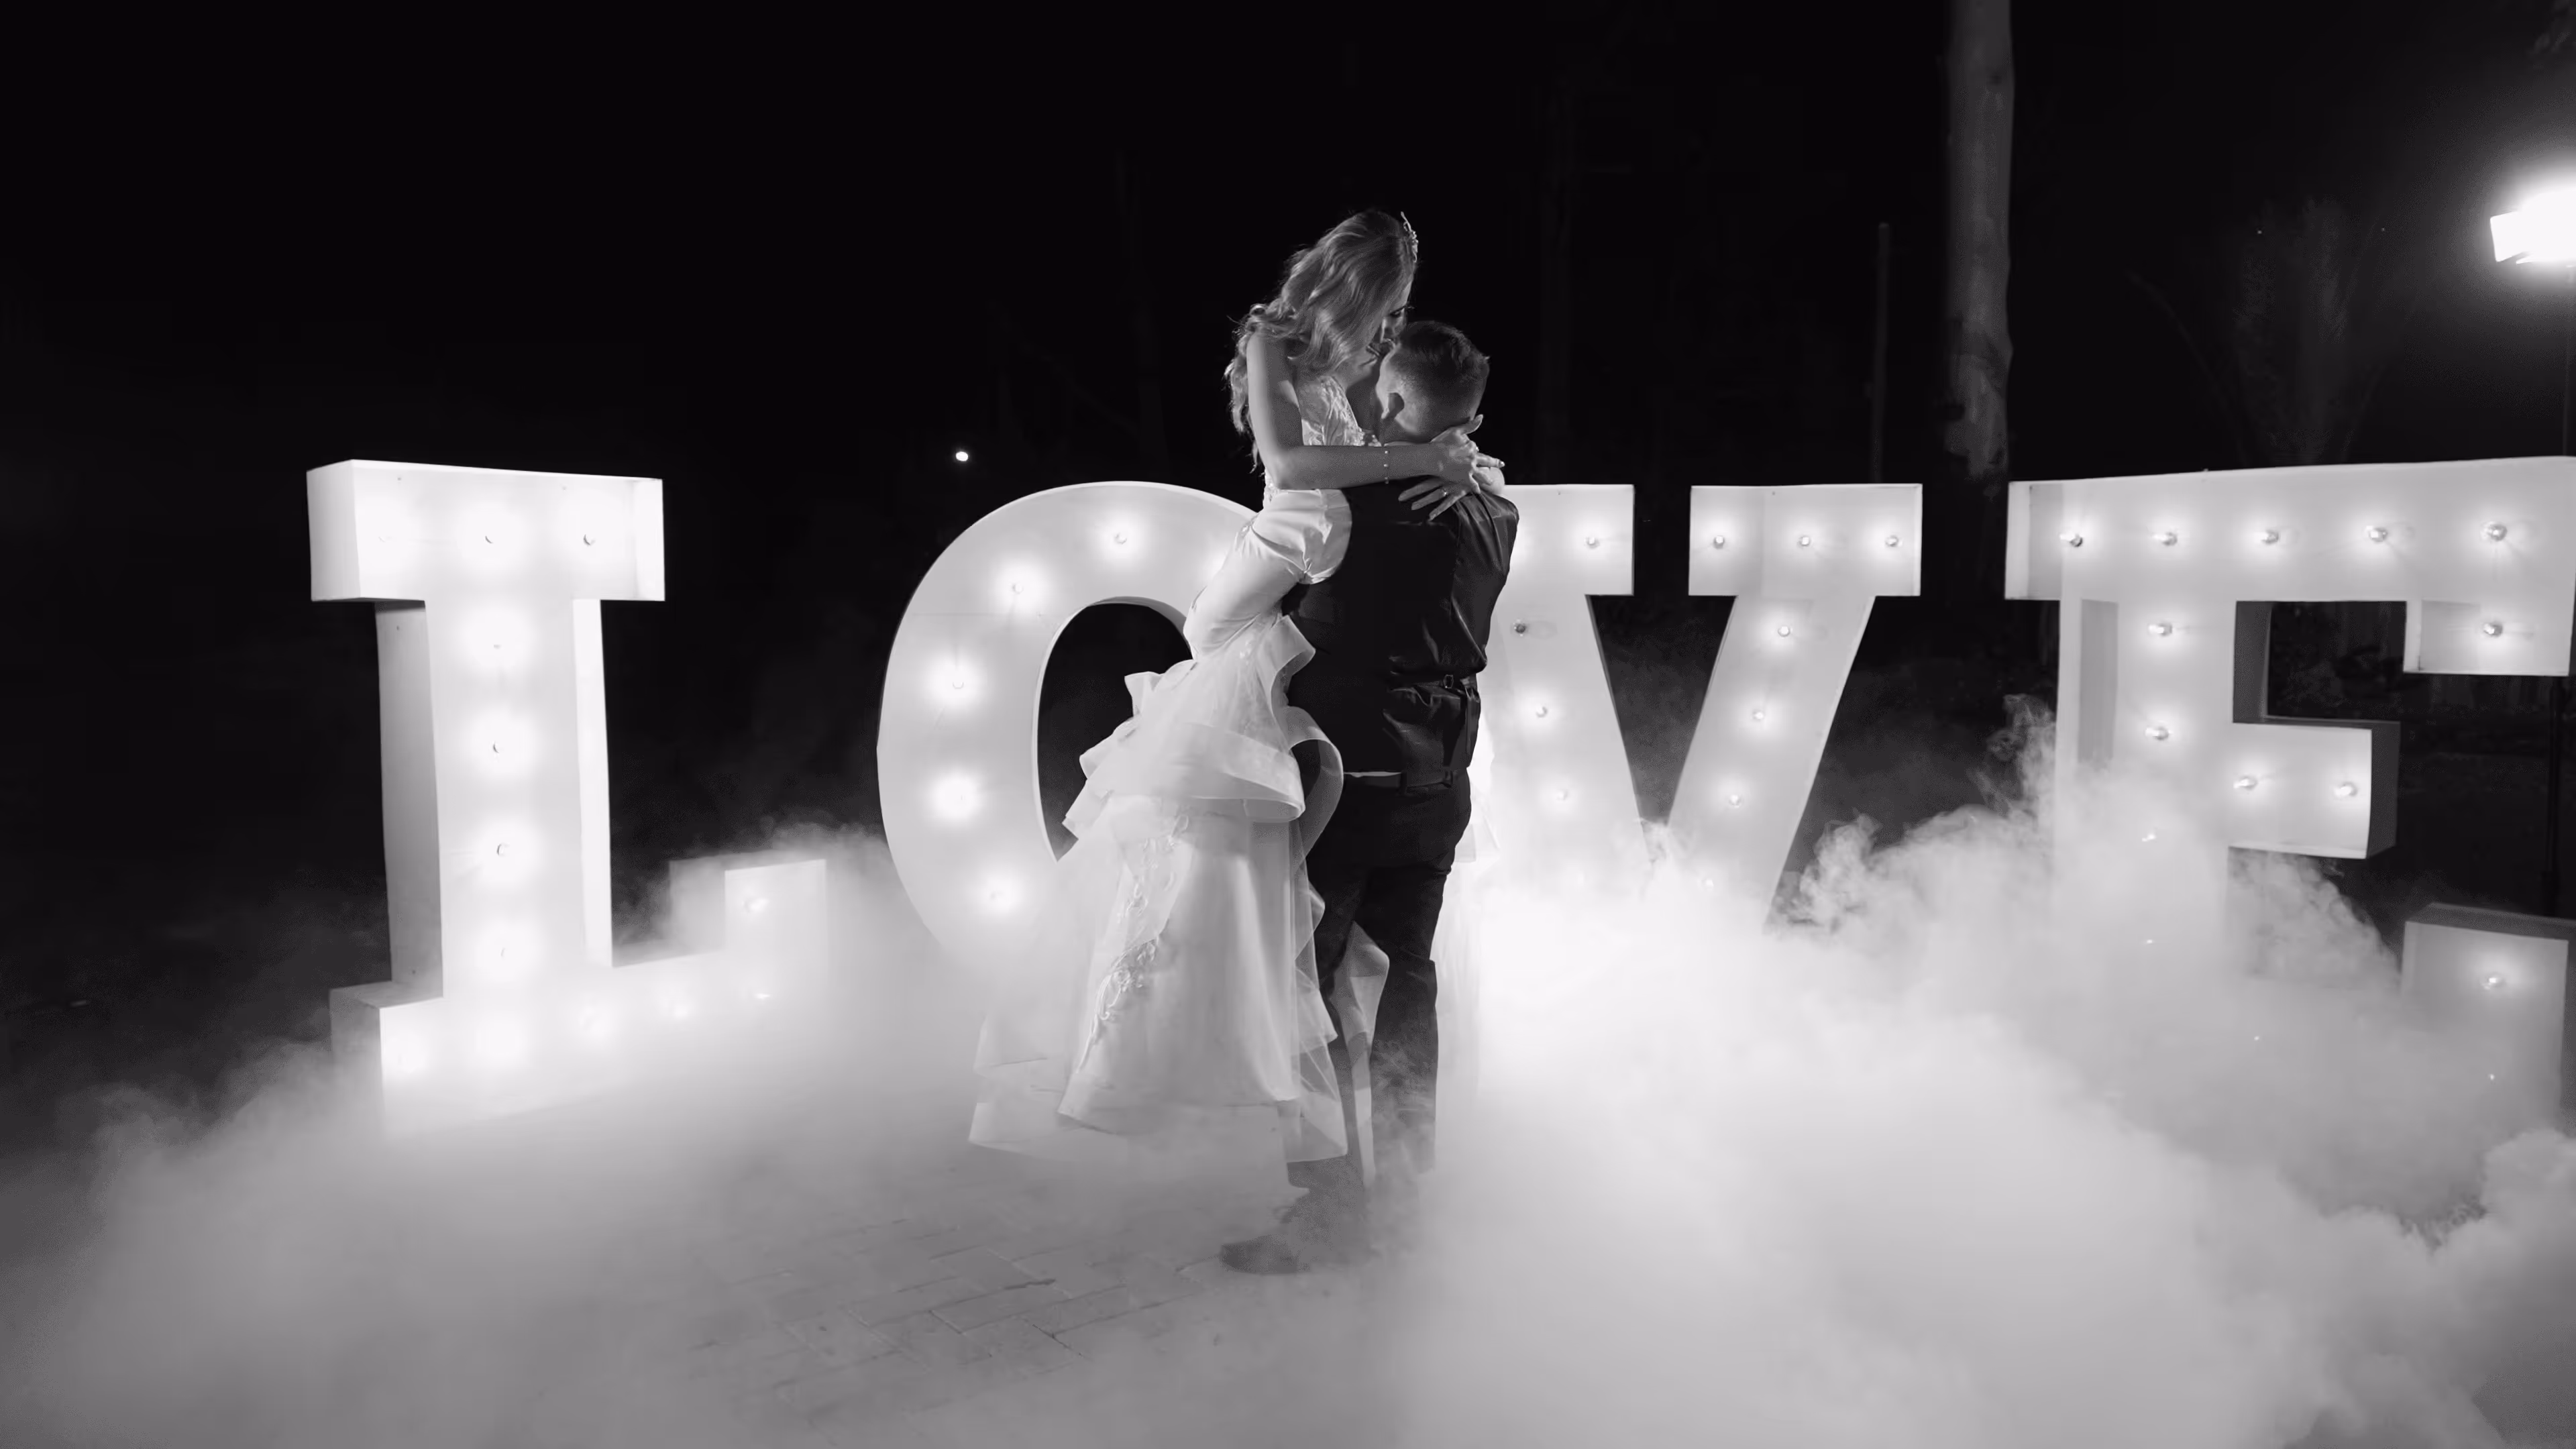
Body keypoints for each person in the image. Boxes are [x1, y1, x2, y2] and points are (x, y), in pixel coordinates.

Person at [966, 211, 1504, 1210]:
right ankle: (1384, 1190)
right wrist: (1434, 462)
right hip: (1319, 583)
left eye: (1400, 306)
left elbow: (1390, 438)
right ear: (1349, 281)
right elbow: (1295, 467)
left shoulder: (1383, 376)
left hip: (1361, 702)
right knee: (1367, 959)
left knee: (1331, 965)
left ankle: (1348, 1202)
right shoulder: (1277, 340)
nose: (1393, 321)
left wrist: (1450, 454)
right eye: (1387, 299)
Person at [1209, 317, 1515, 1273]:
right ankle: (1409, 1203)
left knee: (1315, 988)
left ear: (1390, 403)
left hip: (1348, 778)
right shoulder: (1499, 510)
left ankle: (1336, 1212)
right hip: (1440, 778)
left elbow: (1218, 614)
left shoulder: (1346, 510)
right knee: (1408, 985)